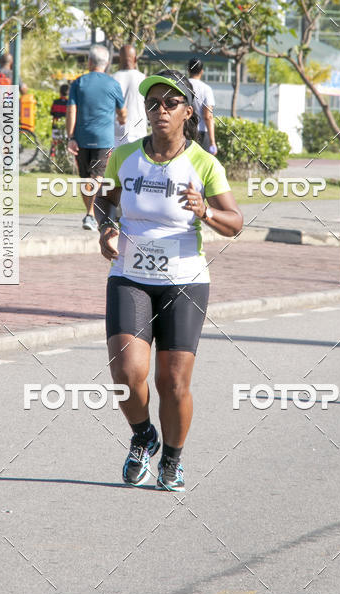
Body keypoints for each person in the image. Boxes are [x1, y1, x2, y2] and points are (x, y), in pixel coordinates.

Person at [95, 68, 243, 491]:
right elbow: (104, 202)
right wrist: (107, 228)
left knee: (173, 382)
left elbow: (235, 222)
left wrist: (205, 212)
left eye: (170, 103)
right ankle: (143, 435)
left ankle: (173, 460)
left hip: (184, 281)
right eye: (153, 103)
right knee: (126, 371)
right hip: (129, 275)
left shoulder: (203, 163)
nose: (160, 110)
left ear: (188, 112)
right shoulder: (124, 156)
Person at [66, 44, 126, 231]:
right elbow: (122, 112)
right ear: (107, 63)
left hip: (81, 138)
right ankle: (92, 213)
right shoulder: (113, 84)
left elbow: (71, 110)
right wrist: (122, 119)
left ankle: (90, 214)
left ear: (89, 62)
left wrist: (70, 137)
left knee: (86, 178)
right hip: (104, 139)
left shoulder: (78, 83)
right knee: (97, 176)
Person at [112, 44, 147, 146]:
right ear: (135, 59)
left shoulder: (111, 79)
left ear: (119, 59)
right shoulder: (144, 79)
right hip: (138, 132)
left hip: (116, 133)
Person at [187, 57, 217, 154]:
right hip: (201, 133)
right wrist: (213, 142)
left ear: (188, 70)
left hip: (183, 132)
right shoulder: (206, 89)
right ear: (202, 71)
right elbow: (208, 116)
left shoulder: (182, 85)